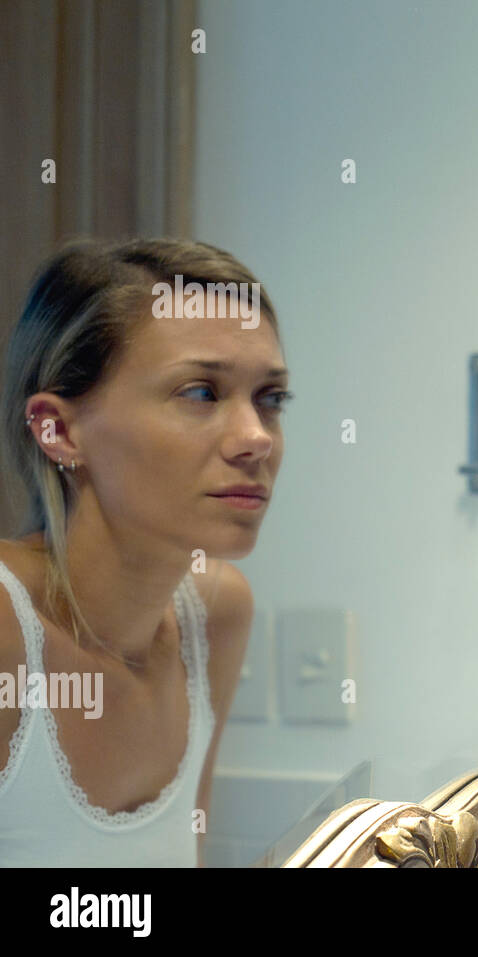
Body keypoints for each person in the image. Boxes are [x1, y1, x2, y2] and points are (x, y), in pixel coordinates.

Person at [0, 238, 290, 866]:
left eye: (270, 399)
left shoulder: (214, 616)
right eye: (201, 393)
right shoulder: (6, 631)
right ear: (60, 430)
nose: (256, 440)